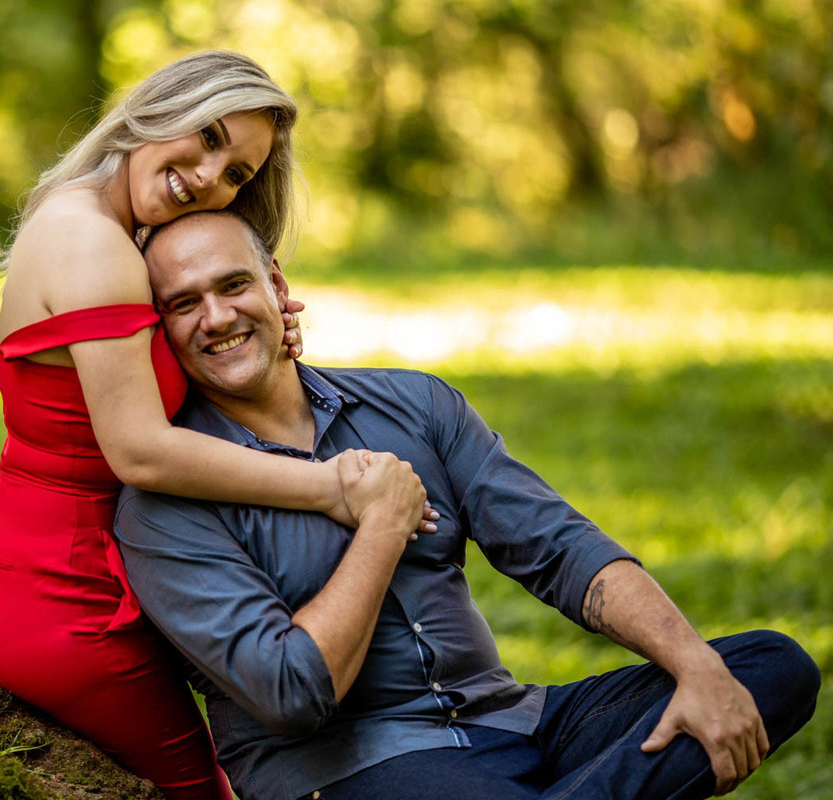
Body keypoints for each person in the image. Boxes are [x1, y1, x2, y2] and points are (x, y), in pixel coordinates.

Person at [113, 210, 821, 800]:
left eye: (233, 284)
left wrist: (694, 667)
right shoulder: (165, 500)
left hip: (516, 725)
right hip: (351, 769)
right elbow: (292, 692)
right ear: (160, 329)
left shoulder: (415, 406)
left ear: (276, 285)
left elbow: (558, 547)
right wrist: (382, 529)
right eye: (183, 303)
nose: (216, 316)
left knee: (768, 666)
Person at [0, 52, 431, 800]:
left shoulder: (98, 217)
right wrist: (331, 486)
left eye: (237, 173)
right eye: (207, 137)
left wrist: (252, 330)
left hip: (64, 558)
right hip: (54, 587)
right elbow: (139, 449)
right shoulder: (91, 242)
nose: (210, 177)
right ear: (158, 107)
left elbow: (141, 374)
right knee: (200, 791)